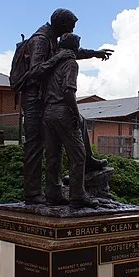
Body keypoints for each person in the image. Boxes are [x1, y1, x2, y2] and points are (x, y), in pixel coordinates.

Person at [18, 8, 112, 205]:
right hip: (33, 97)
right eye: (71, 25)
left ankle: (58, 188)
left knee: (68, 134)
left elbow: (71, 52)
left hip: (45, 98)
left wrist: (95, 53)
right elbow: (35, 71)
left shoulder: (55, 40)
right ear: (61, 24)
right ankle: (33, 194)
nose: (72, 29)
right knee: (35, 145)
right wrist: (58, 58)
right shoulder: (41, 40)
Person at [42, 33, 98, 208]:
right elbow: (68, 91)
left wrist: (95, 53)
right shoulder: (70, 64)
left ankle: (52, 194)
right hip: (63, 112)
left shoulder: (52, 61)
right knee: (79, 156)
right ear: (74, 47)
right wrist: (75, 113)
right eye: (78, 45)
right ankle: (78, 196)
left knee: (53, 156)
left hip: (48, 113)